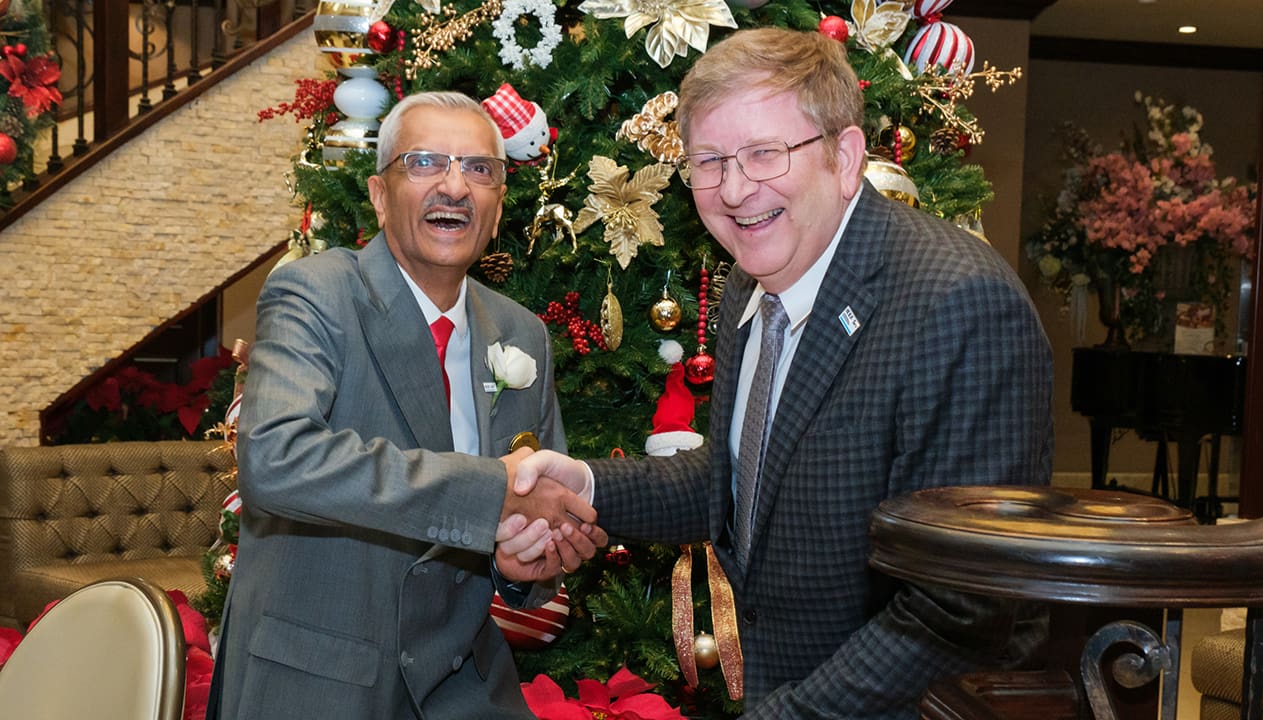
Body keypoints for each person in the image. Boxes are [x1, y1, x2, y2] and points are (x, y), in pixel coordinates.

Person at [510, 27, 1054, 719]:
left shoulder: (958, 303)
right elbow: (739, 481)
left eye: (765, 154)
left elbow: (960, 606)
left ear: (846, 156)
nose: (734, 190)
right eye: (708, 161)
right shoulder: (752, 281)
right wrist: (582, 484)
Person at [207, 91, 605, 720]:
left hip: (467, 686)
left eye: (480, 170)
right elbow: (276, 461)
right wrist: (489, 494)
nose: (455, 186)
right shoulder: (317, 292)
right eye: (424, 163)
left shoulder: (522, 334)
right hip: (321, 682)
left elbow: (531, 519)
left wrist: (523, 560)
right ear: (378, 194)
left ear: (499, 207)